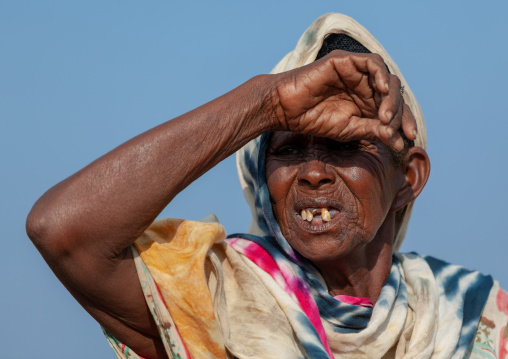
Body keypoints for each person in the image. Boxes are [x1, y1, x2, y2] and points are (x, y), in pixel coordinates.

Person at [26, 13, 508, 359]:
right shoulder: (216, 299)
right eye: (288, 149)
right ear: (260, 176)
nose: (313, 172)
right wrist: (268, 103)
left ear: (408, 178)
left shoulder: (470, 318)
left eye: (345, 147)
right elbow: (62, 232)